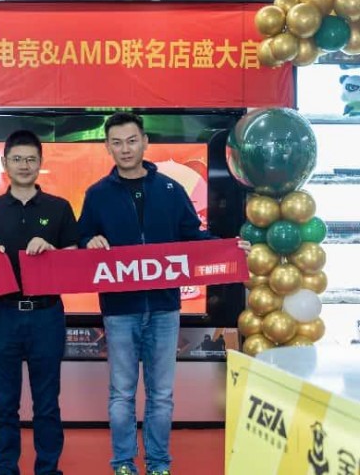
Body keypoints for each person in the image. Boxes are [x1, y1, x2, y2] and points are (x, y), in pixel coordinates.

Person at [77, 112, 249, 475]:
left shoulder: (171, 189)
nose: (125, 149)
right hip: (119, 309)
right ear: (107, 147)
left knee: (161, 394)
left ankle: (158, 463)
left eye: (131, 141)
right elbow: (80, 241)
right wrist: (88, 241)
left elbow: (193, 237)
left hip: (164, 308)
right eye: (117, 142)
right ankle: (123, 463)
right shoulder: (96, 195)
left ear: (145, 142)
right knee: (122, 393)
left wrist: (229, 248)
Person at [0, 130, 78, 475]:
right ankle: (5, 468)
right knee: (4, 403)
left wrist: (53, 252)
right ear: (5, 163)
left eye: (31, 159)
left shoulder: (59, 208)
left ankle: (48, 469)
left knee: (47, 403)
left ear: (40, 163)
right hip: (3, 315)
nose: (24, 165)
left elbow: (75, 261)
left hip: (47, 315)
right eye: (17, 159)